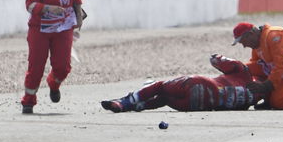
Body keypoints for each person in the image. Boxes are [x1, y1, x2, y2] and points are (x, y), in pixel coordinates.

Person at [21, 0, 84, 114]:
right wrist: (48, 8)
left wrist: (78, 15)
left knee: (63, 66)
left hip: (63, 28)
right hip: (40, 30)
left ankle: (53, 83)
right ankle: (28, 101)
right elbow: (30, 5)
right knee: (36, 67)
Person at [101, 55, 264, 112]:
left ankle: (125, 102)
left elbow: (217, 59)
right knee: (164, 98)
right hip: (198, 105)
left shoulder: (244, 73)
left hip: (200, 84)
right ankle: (136, 106)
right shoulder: (252, 99)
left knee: (160, 86)